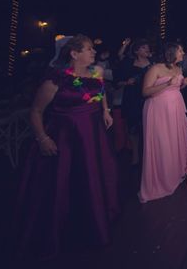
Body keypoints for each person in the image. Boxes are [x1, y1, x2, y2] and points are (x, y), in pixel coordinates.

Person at [15, 35, 119, 259]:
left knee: (92, 177)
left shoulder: (97, 72)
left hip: (93, 135)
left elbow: (99, 94)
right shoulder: (56, 79)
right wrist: (43, 139)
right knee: (64, 183)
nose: (94, 52)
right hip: (66, 138)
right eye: (89, 49)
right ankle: (64, 232)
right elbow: (36, 112)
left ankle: (94, 223)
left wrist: (105, 110)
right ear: (74, 53)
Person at [139, 43, 187, 203]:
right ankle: (161, 179)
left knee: (174, 141)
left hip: (175, 108)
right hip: (158, 111)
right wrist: (167, 83)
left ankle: (175, 173)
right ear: (171, 52)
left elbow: (174, 89)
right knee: (162, 143)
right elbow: (145, 91)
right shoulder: (155, 68)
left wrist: (183, 84)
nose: (183, 52)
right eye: (180, 50)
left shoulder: (178, 68)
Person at [115, 38, 152, 165]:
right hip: (132, 98)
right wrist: (127, 82)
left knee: (149, 127)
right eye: (143, 47)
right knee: (133, 127)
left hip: (149, 97)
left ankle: (150, 156)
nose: (147, 49)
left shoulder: (153, 63)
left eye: (147, 47)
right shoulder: (128, 63)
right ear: (136, 51)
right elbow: (117, 82)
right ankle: (135, 155)